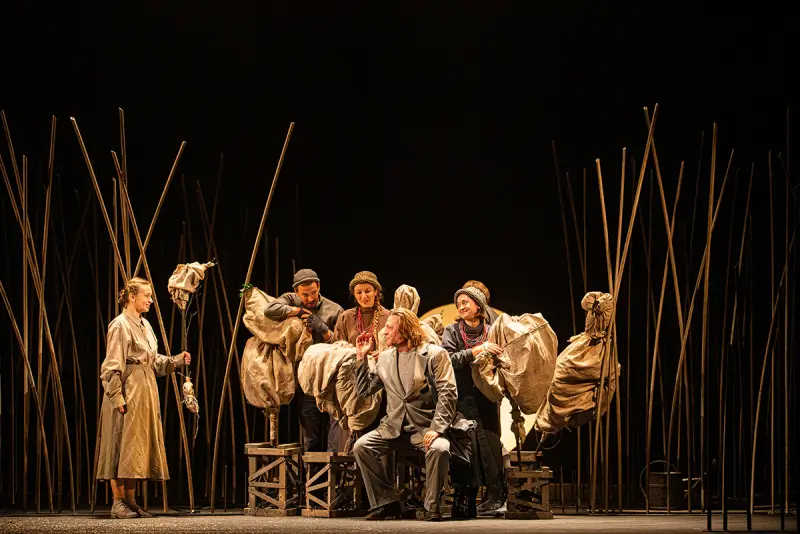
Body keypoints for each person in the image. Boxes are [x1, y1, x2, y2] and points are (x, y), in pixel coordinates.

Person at [352, 308, 461, 522]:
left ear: (405, 330)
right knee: (362, 447)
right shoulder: (385, 358)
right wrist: (361, 358)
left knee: (440, 449)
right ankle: (386, 503)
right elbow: (365, 391)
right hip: (393, 428)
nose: (384, 332)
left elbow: (448, 393)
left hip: (425, 428)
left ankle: (431, 507)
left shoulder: (434, 354)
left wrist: (437, 429)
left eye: (390, 327)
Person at [97, 277, 191, 519]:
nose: (151, 300)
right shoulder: (120, 325)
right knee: (120, 442)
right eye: (147, 296)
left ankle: (130, 501)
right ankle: (117, 502)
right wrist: (117, 396)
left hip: (145, 389)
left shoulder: (145, 325)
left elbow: (153, 360)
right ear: (132, 297)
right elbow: (111, 366)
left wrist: (175, 361)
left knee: (135, 446)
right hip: (127, 388)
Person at [441, 286, 506, 516]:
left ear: (478, 305)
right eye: (458, 303)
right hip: (463, 397)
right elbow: (448, 359)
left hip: (487, 397)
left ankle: (496, 497)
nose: (461, 306)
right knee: (468, 446)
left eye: (466, 302)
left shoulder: (492, 331)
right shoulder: (451, 331)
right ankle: (468, 498)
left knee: (491, 444)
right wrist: (477, 351)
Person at [263, 268, 344, 453]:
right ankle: (313, 473)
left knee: (334, 437)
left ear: (319, 287)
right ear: (296, 292)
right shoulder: (292, 301)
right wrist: (298, 311)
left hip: (331, 381)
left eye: (313, 293)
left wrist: (323, 329)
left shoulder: (334, 310)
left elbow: (342, 345)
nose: (310, 298)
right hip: (306, 381)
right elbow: (270, 310)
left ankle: (333, 473)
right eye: (305, 295)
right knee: (311, 436)